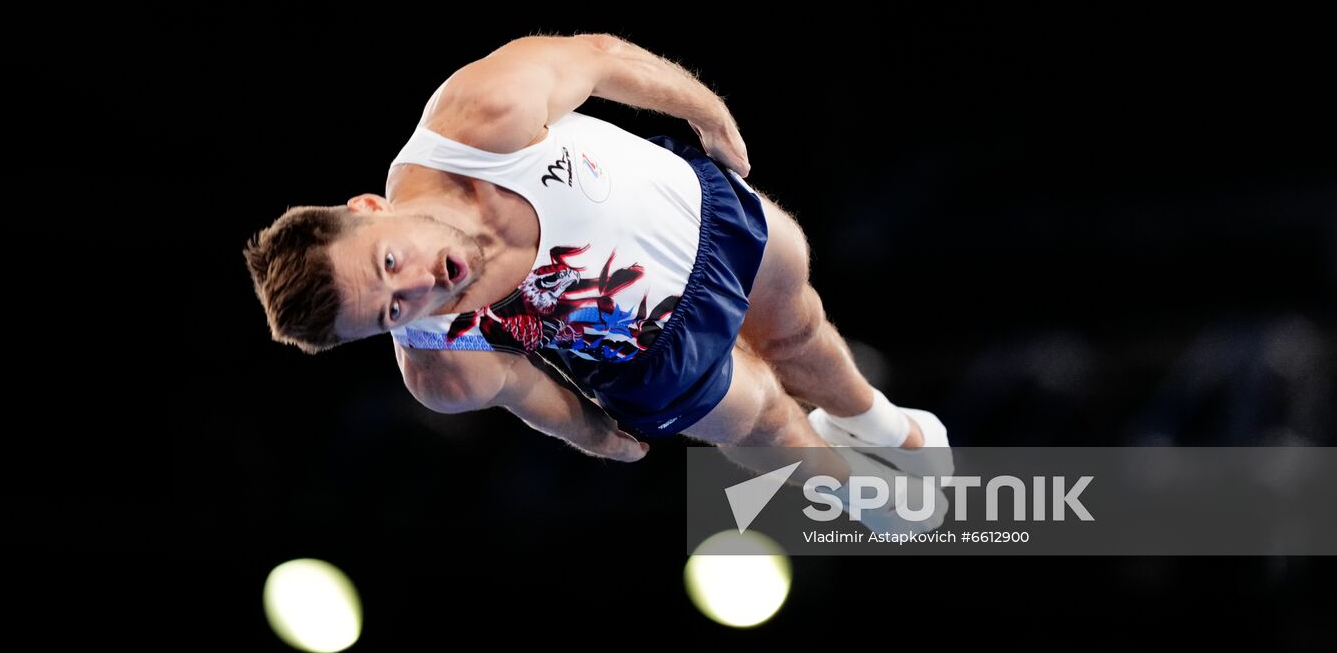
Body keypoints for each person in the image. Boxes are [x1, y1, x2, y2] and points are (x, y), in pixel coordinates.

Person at [242, 33, 949, 478]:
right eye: (393, 312)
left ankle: (879, 421)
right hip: (645, 357)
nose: (423, 286)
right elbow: (529, 394)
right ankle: (854, 490)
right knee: (767, 420)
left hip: (694, 219)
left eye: (390, 264)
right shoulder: (443, 363)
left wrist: (705, 112)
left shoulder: (478, 117)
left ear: (370, 208)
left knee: (798, 333)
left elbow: (603, 59)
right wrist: (595, 438)